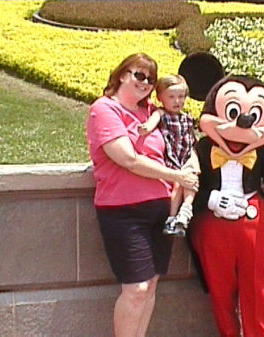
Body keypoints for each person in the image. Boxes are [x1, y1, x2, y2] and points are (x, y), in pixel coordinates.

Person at [86, 53, 198, 337]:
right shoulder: (105, 110)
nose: (145, 83)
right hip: (123, 211)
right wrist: (177, 176)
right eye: (139, 75)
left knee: (150, 287)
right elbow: (128, 159)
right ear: (123, 74)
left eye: (150, 79)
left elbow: (183, 138)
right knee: (135, 289)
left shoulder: (150, 111)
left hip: (161, 209)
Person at [138, 74, 199, 237]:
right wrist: (146, 128)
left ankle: (186, 208)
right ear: (160, 98)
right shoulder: (161, 114)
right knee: (179, 184)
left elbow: (192, 139)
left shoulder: (187, 118)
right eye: (171, 97)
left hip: (186, 157)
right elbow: (152, 122)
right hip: (172, 158)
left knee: (191, 180)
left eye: (181, 97)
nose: (177, 101)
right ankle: (172, 218)